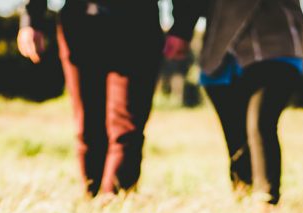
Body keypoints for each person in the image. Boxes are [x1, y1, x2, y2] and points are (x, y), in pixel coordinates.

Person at [18, 0, 190, 198]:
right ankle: (91, 198)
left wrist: (182, 26)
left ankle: (113, 203)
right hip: (80, 22)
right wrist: (31, 18)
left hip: (137, 22)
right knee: (87, 126)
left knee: (127, 128)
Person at [165, 0, 303, 206]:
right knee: (235, 135)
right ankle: (242, 196)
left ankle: (265, 203)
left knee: (260, 124)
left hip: (274, 42)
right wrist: (182, 29)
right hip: (222, 50)